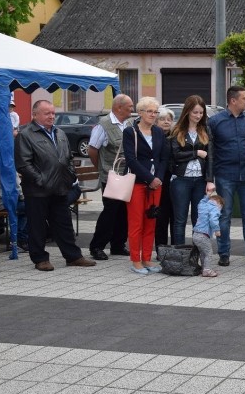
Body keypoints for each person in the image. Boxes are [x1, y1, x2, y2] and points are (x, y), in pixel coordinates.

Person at [15, 100, 96, 271]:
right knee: (37, 226)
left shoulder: (59, 132)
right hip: (37, 190)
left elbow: (68, 158)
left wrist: (70, 175)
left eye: (53, 113)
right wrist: (41, 180)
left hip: (60, 187)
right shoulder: (26, 134)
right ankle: (40, 259)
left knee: (64, 224)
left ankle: (73, 256)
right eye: (47, 113)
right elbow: (23, 164)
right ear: (35, 114)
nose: (51, 116)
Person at [208, 86, 245, 267]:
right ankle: (224, 253)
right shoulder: (215, 121)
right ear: (233, 100)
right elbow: (211, 148)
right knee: (225, 215)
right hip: (225, 174)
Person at [123, 97, 168, 275]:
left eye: (155, 112)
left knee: (151, 221)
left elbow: (163, 158)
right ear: (140, 112)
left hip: (156, 185)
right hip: (137, 183)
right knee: (136, 223)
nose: (153, 115)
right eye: (149, 111)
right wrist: (149, 178)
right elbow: (131, 160)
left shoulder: (158, 132)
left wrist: (158, 178)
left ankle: (147, 258)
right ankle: (136, 260)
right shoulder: (130, 132)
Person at [87, 93, 134, 260]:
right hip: (111, 177)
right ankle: (97, 246)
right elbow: (92, 149)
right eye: (129, 105)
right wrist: (101, 168)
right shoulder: (103, 125)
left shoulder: (128, 123)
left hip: (126, 175)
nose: (132, 108)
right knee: (110, 212)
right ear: (119, 107)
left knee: (123, 212)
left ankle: (118, 245)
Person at [169, 95, 215, 246]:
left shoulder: (206, 130)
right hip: (181, 180)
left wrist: (209, 180)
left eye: (201, 113)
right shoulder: (177, 130)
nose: (198, 116)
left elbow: (210, 157)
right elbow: (176, 155)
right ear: (187, 111)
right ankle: (179, 254)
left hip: (200, 181)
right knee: (180, 219)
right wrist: (196, 153)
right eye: (195, 112)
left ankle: (196, 254)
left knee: (199, 219)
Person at [0, 124, 28, 251]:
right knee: (29, 206)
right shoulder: (8, 166)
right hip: (2, 203)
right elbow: (18, 190)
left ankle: (0, 233)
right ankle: (20, 240)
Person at [153, 107, 175, 250]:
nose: (166, 122)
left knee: (175, 216)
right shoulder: (153, 136)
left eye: (169, 119)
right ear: (155, 121)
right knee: (160, 216)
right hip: (158, 180)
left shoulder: (176, 136)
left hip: (174, 180)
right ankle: (161, 248)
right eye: (162, 119)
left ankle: (175, 247)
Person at [193, 194, 223, 277]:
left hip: (195, 234)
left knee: (203, 253)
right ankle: (207, 270)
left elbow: (201, 202)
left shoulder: (203, 205)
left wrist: (207, 196)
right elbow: (213, 219)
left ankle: (204, 268)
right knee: (209, 253)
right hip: (203, 235)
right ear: (219, 203)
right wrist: (217, 230)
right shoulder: (214, 208)